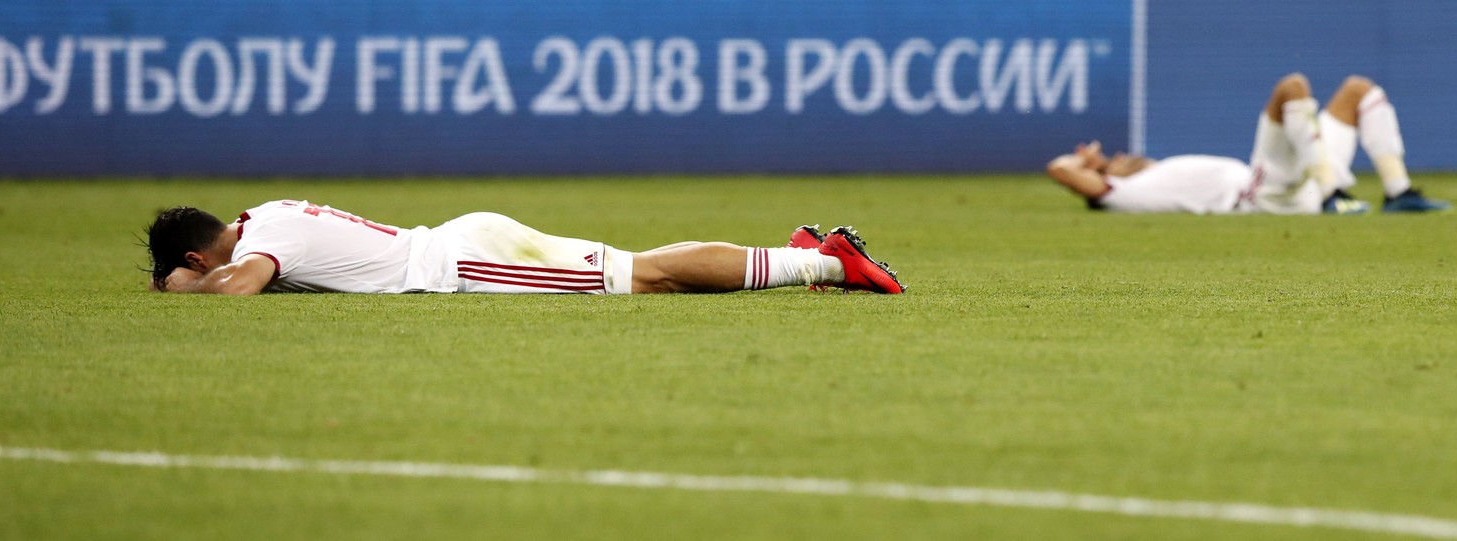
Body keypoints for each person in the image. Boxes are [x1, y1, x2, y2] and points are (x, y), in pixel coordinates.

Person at [144, 200, 905, 295]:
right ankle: (806, 252)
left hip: (461, 263)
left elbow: (239, 289)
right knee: (646, 278)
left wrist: (181, 291)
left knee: (647, 276)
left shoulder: (258, 245)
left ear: (195, 258)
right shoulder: (267, 209)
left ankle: (828, 260)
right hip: (461, 245)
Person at [1046, 73, 1453, 215]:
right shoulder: (1125, 193)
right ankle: (1334, 195)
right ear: (1104, 180)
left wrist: (1096, 165)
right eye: (1110, 163)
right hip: (1263, 195)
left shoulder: (1153, 171)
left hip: (1297, 180)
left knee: (1358, 92)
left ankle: (1397, 192)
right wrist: (1086, 162)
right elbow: (1059, 170)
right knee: (1291, 88)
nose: (1119, 157)